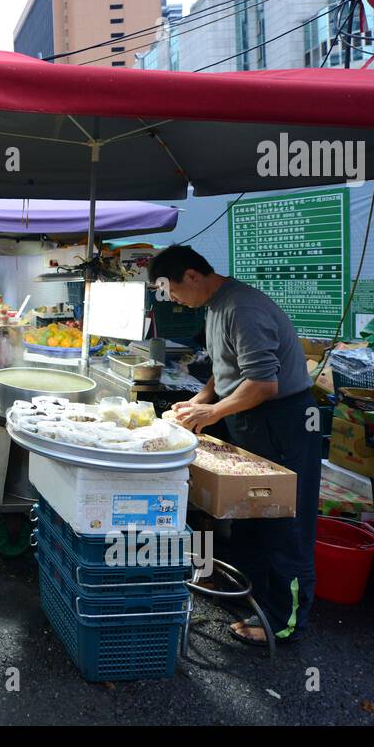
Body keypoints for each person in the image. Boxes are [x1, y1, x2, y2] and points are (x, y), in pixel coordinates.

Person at [152, 245, 320, 647]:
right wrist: (200, 401)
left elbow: (263, 383)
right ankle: (254, 600)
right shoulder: (213, 306)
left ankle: (285, 620)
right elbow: (226, 368)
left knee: (284, 520)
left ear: (192, 276)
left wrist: (211, 415)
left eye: (172, 291)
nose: (172, 300)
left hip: (282, 420)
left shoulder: (243, 308)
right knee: (250, 515)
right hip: (249, 416)